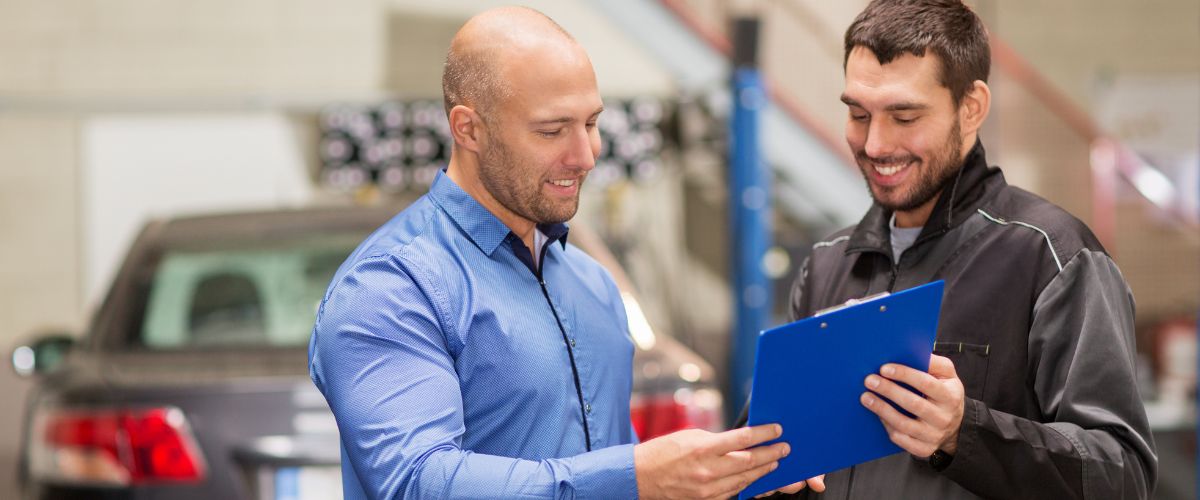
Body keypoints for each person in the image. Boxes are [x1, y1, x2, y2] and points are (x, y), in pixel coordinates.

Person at [309, 7, 804, 500]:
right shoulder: (389, 287)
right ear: (468, 129)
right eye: (552, 130)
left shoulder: (593, 283)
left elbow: (615, 469)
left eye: (591, 123)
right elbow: (416, 484)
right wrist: (636, 476)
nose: (585, 155)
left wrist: (716, 480)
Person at [776, 0, 1157, 498]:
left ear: (971, 107)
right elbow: (775, 447)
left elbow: (1122, 474)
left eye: (904, 116)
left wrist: (963, 434)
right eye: (857, 114)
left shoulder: (1053, 257)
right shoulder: (827, 264)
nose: (873, 144)